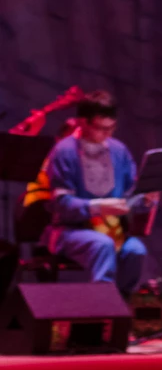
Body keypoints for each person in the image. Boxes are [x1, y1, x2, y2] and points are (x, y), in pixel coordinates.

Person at [45, 90, 153, 296]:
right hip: (71, 230)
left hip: (113, 230)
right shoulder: (64, 151)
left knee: (136, 250)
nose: (107, 134)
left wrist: (146, 200)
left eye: (111, 128)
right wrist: (97, 207)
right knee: (102, 245)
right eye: (101, 128)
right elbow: (61, 203)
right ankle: (102, 307)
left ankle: (121, 304)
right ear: (82, 122)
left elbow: (130, 195)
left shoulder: (119, 151)